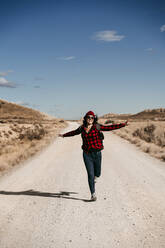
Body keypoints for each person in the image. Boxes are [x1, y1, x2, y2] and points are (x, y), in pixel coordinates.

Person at [59, 111, 128, 201]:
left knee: (98, 173)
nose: (90, 119)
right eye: (88, 117)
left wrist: (122, 125)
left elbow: (110, 127)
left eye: (92, 118)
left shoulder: (97, 127)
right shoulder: (82, 128)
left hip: (97, 154)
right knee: (90, 174)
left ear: (94, 119)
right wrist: (64, 135)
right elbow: (74, 132)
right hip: (87, 154)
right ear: (85, 118)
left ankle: (96, 178)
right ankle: (93, 194)